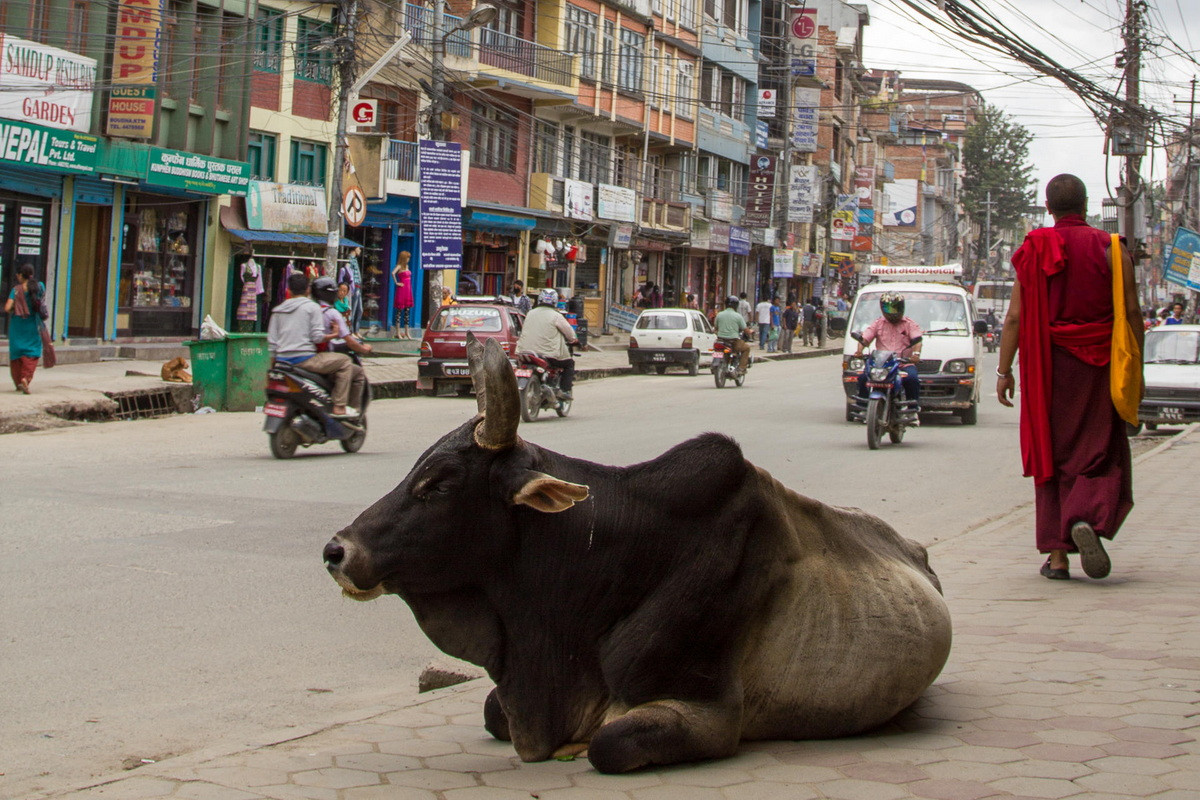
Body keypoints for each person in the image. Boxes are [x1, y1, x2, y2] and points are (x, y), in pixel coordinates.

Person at [997, 173, 1142, 582]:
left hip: (1048, 369)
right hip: (1100, 369)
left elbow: (1014, 318)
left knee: (1054, 456)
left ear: (1049, 208)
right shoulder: (1111, 248)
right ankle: (1087, 521)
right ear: (1085, 206)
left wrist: (1004, 371)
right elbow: (1131, 313)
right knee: (1099, 451)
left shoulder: (1035, 248)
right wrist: (1137, 367)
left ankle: (1058, 558)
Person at [267, 273, 359, 417]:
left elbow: (272, 345)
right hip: (305, 360)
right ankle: (340, 406)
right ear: (308, 290)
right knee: (345, 362)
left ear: (289, 290)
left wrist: (274, 366)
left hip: (282, 361)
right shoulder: (312, 308)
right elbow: (317, 338)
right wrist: (335, 334)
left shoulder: (277, 310)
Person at [853, 291, 923, 412]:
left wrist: (916, 355)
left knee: (912, 379)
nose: (892, 311)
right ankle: (862, 407)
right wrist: (859, 350)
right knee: (863, 377)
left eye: (895, 307)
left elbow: (917, 341)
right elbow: (865, 338)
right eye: (888, 308)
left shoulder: (909, 324)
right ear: (882, 308)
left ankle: (913, 410)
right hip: (882, 365)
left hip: (903, 364)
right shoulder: (878, 323)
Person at [312, 277, 370, 411]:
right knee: (353, 370)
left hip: (306, 355)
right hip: (321, 358)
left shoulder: (311, 309)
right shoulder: (332, 313)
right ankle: (346, 409)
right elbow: (349, 340)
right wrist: (364, 349)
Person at [516, 288, 579, 400]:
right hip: (547, 354)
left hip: (524, 351)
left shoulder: (530, 313)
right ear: (555, 301)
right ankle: (564, 390)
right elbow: (570, 333)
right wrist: (574, 340)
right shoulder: (556, 315)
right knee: (569, 364)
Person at [5, 263, 45, 393]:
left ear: (21, 275)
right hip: (33, 324)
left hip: (17, 326)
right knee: (32, 352)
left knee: (16, 354)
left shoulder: (16, 290)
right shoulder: (40, 287)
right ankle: (25, 378)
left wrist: (16, 306)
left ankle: (18, 382)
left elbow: (7, 308)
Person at [714, 295, 752, 374]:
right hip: (733, 342)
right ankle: (741, 368)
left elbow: (716, 328)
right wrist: (750, 332)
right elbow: (745, 329)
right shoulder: (738, 316)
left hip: (720, 340)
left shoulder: (719, 315)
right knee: (746, 348)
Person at [339, 247, 364, 332]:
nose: (360, 251)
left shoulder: (355, 260)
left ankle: (356, 330)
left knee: (360, 309)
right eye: (359, 249)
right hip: (354, 287)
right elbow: (350, 275)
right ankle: (352, 331)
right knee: (352, 310)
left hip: (358, 286)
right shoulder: (350, 260)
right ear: (354, 249)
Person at [391, 251, 414, 338]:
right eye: (407, 258)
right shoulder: (399, 266)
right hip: (402, 289)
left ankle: (407, 332)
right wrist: (396, 282)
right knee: (399, 311)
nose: (408, 259)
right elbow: (393, 273)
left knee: (407, 312)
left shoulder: (407, 266)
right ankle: (398, 332)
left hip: (408, 290)